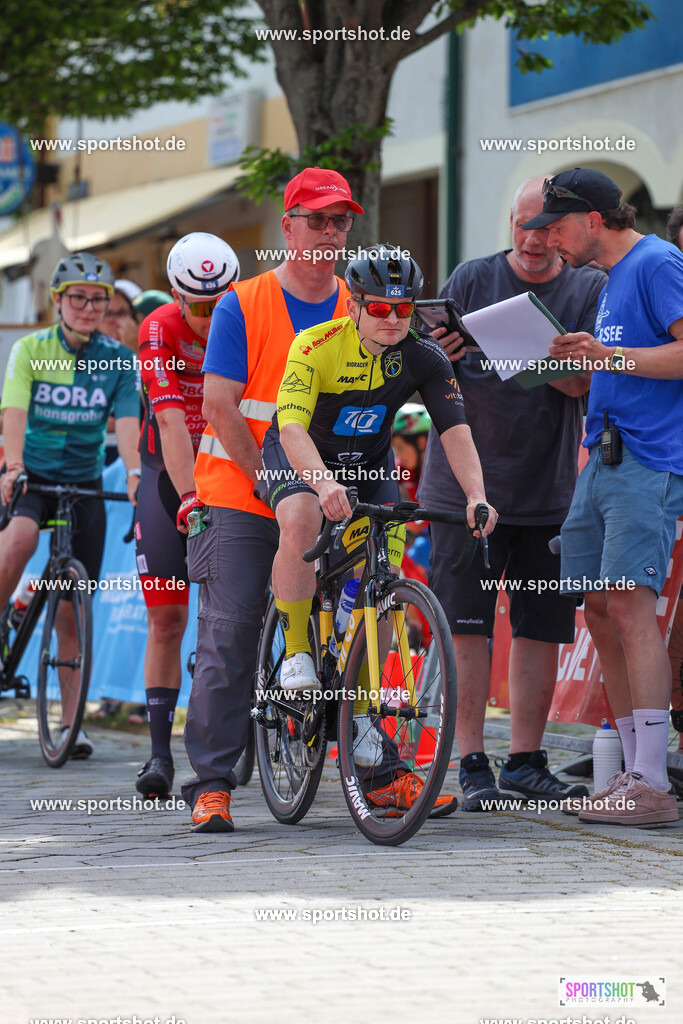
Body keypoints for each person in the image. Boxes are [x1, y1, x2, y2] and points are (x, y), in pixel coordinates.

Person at [265, 244, 497, 813]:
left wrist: (476, 496)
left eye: (404, 309)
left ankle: (364, 719)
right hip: (301, 456)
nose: (394, 319)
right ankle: (297, 651)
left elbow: (455, 430)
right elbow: (291, 428)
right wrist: (320, 484)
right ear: (354, 305)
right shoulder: (313, 345)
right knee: (300, 517)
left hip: (369, 465)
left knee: (383, 589)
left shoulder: (423, 354)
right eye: (380, 309)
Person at [181, 166, 363, 832]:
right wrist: (267, 478)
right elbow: (220, 406)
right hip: (240, 483)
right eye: (316, 219)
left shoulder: (358, 301)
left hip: (327, 483)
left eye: (339, 221)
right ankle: (212, 782)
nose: (329, 232)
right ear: (287, 227)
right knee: (230, 630)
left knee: (361, 617)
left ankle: (376, 765)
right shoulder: (242, 302)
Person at [417, 175, 605, 811]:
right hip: (463, 489)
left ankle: (525, 760)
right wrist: (439, 352)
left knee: (541, 628)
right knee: (466, 625)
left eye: (544, 228)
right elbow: (428, 371)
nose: (532, 240)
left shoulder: (587, 286)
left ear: (561, 230)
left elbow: (584, 385)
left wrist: (530, 354)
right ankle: (470, 761)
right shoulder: (470, 278)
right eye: (523, 226)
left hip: (547, 489)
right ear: (509, 223)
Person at [526, 167, 683, 825]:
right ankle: (631, 768)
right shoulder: (610, 281)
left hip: (647, 463)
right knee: (596, 610)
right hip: (604, 459)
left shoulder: (655, 261)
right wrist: (568, 365)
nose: (549, 243)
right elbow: (616, 365)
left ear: (592, 218)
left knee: (627, 608)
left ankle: (650, 782)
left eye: (556, 228)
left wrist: (607, 358)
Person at [0, 252, 140, 758]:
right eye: (77, 298)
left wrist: (134, 472)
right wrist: (12, 465)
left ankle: (70, 723)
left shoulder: (118, 360)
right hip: (33, 475)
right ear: (58, 301)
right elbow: (13, 412)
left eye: (97, 300)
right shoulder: (32, 349)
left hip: (81, 483)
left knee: (70, 609)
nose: (87, 307)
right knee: (15, 540)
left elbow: (127, 426)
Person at [134, 233, 240, 799]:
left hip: (231, 469)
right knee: (169, 620)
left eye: (219, 304)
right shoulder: (158, 329)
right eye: (197, 307)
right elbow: (172, 422)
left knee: (236, 613)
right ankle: (159, 755)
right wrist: (191, 497)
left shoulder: (245, 314)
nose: (208, 318)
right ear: (176, 295)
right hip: (170, 475)